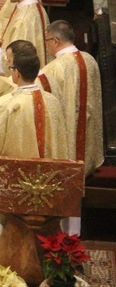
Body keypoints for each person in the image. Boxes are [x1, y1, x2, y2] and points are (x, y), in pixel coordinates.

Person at [0, 40, 70, 281]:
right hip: (47, 190)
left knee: (4, 234)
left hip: (13, 189)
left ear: (16, 73)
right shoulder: (52, 102)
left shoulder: (10, 105)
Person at [37, 20, 103, 177]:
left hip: (69, 135)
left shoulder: (54, 68)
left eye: (47, 41)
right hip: (88, 134)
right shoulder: (90, 60)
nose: (46, 46)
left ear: (55, 41)